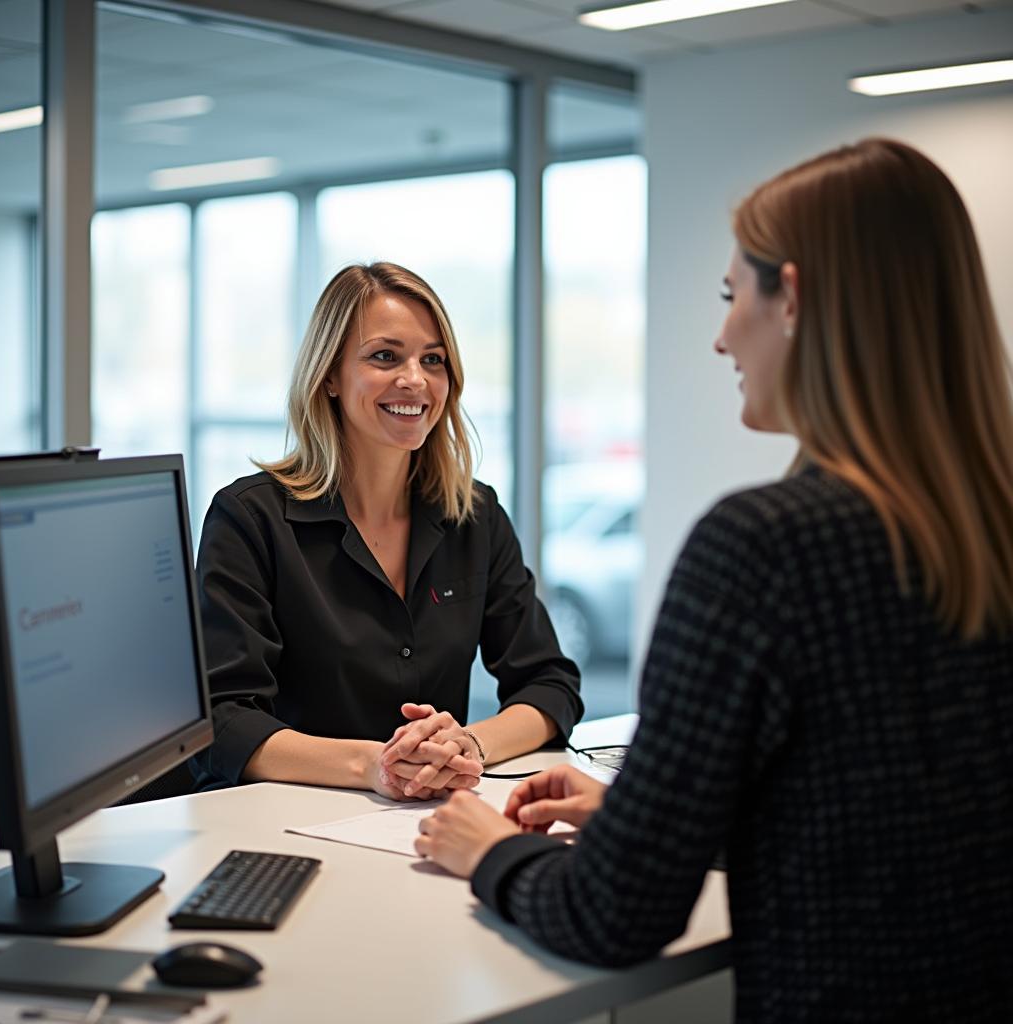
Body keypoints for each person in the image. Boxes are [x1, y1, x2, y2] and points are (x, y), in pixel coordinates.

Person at [415, 138, 1013, 1022]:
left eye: (736, 297)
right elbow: (888, 814)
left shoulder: (766, 547)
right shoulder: (984, 528)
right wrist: (641, 813)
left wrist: (487, 850)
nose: (721, 334)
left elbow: (614, 915)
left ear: (795, 299)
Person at [192, 261, 582, 799]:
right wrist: (375, 764)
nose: (415, 380)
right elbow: (222, 721)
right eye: (384, 356)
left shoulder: (475, 515)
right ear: (328, 375)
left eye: (433, 359)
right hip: (284, 825)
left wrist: (468, 745)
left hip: (427, 819)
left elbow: (550, 684)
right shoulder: (250, 519)